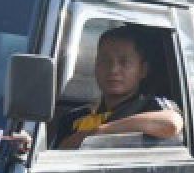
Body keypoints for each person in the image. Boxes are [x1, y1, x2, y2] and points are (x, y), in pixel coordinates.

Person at [56, 25, 184, 150]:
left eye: (124, 62)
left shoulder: (152, 107)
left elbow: (171, 123)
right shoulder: (76, 117)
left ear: (143, 70)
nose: (113, 70)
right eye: (105, 61)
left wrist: (98, 132)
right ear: (96, 66)